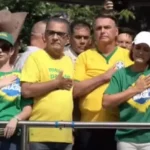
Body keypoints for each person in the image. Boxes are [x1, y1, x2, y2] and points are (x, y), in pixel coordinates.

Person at [73, 12, 133, 150]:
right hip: (88, 126)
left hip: (120, 126)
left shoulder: (129, 56)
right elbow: (75, 90)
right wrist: (104, 77)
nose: (103, 31)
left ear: (116, 31)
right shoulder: (84, 57)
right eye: (98, 28)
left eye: (107, 27)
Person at [21, 17, 74, 150]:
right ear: (45, 36)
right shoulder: (35, 58)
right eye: (51, 33)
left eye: (60, 34)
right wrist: (56, 83)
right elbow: (26, 90)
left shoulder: (69, 61)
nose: (55, 37)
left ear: (67, 39)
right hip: (40, 134)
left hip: (65, 134)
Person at [103, 31, 150, 150]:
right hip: (126, 138)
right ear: (132, 48)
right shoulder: (121, 74)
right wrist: (135, 89)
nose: (141, 52)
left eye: (146, 49)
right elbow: (106, 102)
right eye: (138, 47)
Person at [0, 32, 32, 150]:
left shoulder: (20, 76)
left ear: (11, 51)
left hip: (13, 134)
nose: (0, 51)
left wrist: (16, 118)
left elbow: (27, 107)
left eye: (4, 47)